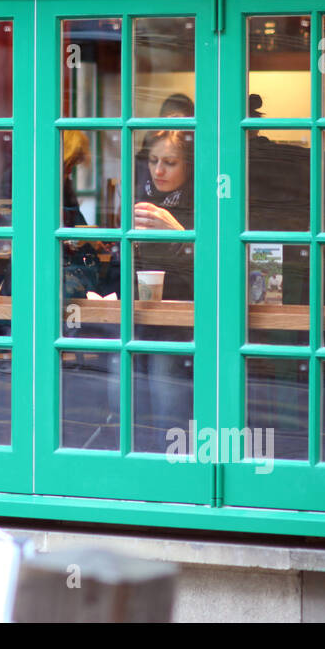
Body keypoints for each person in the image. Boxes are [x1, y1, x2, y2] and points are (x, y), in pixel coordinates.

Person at [132, 128, 196, 452]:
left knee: (169, 404)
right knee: (121, 398)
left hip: (181, 323)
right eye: (154, 161)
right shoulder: (140, 196)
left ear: (189, 165)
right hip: (138, 318)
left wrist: (180, 234)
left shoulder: (206, 200)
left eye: (170, 162)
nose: (158, 171)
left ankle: (171, 468)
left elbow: (226, 265)